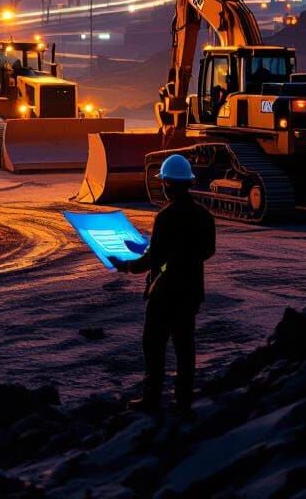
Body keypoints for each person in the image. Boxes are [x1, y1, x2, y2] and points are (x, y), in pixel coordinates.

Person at [113, 154, 216, 416]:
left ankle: (152, 399)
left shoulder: (166, 217)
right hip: (191, 292)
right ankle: (183, 399)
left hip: (165, 293)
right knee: (184, 346)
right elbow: (207, 251)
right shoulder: (204, 216)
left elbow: (153, 259)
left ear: (168, 183)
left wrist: (125, 265)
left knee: (154, 346)